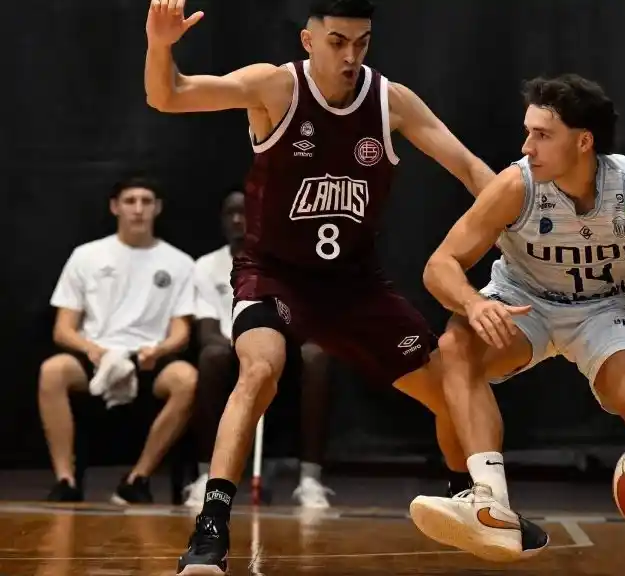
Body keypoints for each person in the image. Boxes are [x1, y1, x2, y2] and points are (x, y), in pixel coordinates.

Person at [144, 0, 497, 572]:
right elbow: (170, 95)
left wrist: (523, 221)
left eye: (361, 43)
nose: (351, 56)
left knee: (453, 392)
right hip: (275, 275)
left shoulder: (391, 100)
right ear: (309, 42)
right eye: (338, 41)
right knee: (260, 371)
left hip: (355, 285)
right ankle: (211, 527)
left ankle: (473, 505)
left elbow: (472, 169)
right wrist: (161, 48)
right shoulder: (274, 87)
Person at [408, 74, 625, 575]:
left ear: (583, 140)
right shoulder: (516, 185)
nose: (526, 145)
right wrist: (472, 302)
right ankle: (491, 505)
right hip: (522, 301)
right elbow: (439, 264)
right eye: (527, 132)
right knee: (454, 345)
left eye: (541, 134)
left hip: (605, 309)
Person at [39, 176, 198, 505]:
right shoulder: (86, 256)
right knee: (52, 371)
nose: (138, 209)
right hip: (96, 355)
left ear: (157, 208)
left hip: (148, 356)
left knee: (188, 380)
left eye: (145, 201)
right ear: (115, 207)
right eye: (130, 201)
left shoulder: (180, 263)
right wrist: (91, 349)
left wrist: (161, 349)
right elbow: (63, 328)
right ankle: (65, 480)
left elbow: (181, 330)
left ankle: (137, 479)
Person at [187, 190, 334, 509]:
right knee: (210, 357)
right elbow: (206, 329)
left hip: (283, 346)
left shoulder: (289, 261)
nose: (239, 220)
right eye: (232, 213)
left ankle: (310, 479)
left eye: (247, 212)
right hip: (230, 348)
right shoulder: (206, 266)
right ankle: (205, 476)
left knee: (317, 355)